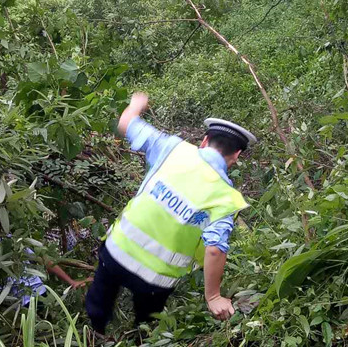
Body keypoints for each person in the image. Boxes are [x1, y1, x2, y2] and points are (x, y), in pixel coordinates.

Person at [85, 92, 256, 334]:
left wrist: (136, 104)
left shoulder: (171, 148)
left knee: (98, 306)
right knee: (146, 326)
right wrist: (213, 296)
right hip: (156, 280)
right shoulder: (227, 198)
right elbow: (215, 248)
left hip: (116, 253)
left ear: (204, 141)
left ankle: (94, 339)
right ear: (236, 155)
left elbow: (126, 123)